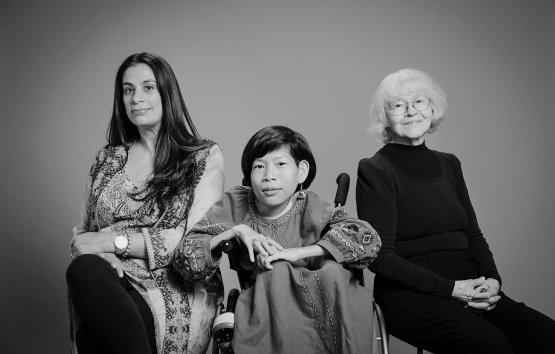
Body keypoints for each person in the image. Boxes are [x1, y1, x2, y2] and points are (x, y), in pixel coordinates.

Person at [356, 68, 555, 354]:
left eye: (419, 102)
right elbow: (380, 257)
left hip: (470, 285)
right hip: (410, 294)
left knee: (546, 337)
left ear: (432, 108)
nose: (411, 111)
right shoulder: (375, 170)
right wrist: (450, 289)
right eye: (398, 105)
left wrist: (491, 280)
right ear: (385, 116)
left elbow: (473, 234)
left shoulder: (450, 163)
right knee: (492, 346)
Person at [172, 125, 381, 354]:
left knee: (332, 272)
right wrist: (237, 231)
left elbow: (367, 240)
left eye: (280, 164)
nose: (269, 175)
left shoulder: (310, 205)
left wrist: (301, 252)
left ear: (301, 171)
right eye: (259, 166)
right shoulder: (236, 203)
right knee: (278, 271)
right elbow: (185, 256)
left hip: (326, 302)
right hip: (267, 308)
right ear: (249, 175)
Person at [66, 52, 224, 354]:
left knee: (92, 339)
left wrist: (111, 242)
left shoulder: (201, 158)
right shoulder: (107, 159)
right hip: (106, 279)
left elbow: (194, 243)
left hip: (173, 287)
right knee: (83, 270)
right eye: (128, 89)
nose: (136, 97)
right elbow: (81, 237)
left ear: (167, 92)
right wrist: (100, 255)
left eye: (148, 87)